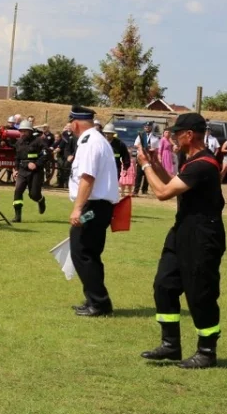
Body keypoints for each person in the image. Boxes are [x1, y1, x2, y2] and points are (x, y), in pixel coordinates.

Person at [136, 113, 226, 368]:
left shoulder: (203, 163)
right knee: (164, 284)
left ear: (189, 135)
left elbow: (163, 193)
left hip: (202, 235)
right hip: (183, 230)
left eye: (177, 133)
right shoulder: (191, 161)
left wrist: (144, 165)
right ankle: (170, 345)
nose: (174, 137)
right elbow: (172, 183)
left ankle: (207, 352)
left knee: (200, 293)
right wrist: (155, 164)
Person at [67, 105, 120, 317]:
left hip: (93, 206)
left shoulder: (89, 143)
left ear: (75, 123)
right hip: (99, 207)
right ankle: (94, 299)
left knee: (82, 251)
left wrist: (78, 209)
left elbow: (87, 177)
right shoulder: (98, 140)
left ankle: (99, 302)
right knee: (89, 252)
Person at [11, 119, 49, 221]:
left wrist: (36, 164)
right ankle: (17, 216)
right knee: (18, 191)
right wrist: (15, 169)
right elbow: (17, 158)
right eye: (21, 131)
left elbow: (46, 154)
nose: (22, 133)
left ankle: (41, 200)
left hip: (35, 172)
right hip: (22, 170)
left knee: (34, 195)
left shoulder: (38, 141)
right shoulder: (18, 143)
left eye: (25, 131)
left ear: (30, 131)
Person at [133, 122, 160, 195]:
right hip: (141, 156)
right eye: (145, 127)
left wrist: (153, 149)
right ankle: (136, 190)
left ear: (151, 127)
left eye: (148, 127)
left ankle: (145, 189)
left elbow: (158, 147)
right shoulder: (141, 135)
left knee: (147, 174)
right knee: (139, 174)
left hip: (150, 157)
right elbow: (135, 144)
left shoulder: (155, 136)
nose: (147, 128)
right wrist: (140, 147)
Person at [55, 124, 76, 189]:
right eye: (67, 126)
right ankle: (60, 183)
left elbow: (76, 147)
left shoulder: (75, 135)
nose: (68, 128)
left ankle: (67, 184)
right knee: (60, 168)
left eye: (70, 126)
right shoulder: (64, 134)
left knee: (67, 169)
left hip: (70, 155)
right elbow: (61, 143)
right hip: (63, 154)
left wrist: (72, 155)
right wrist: (57, 149)